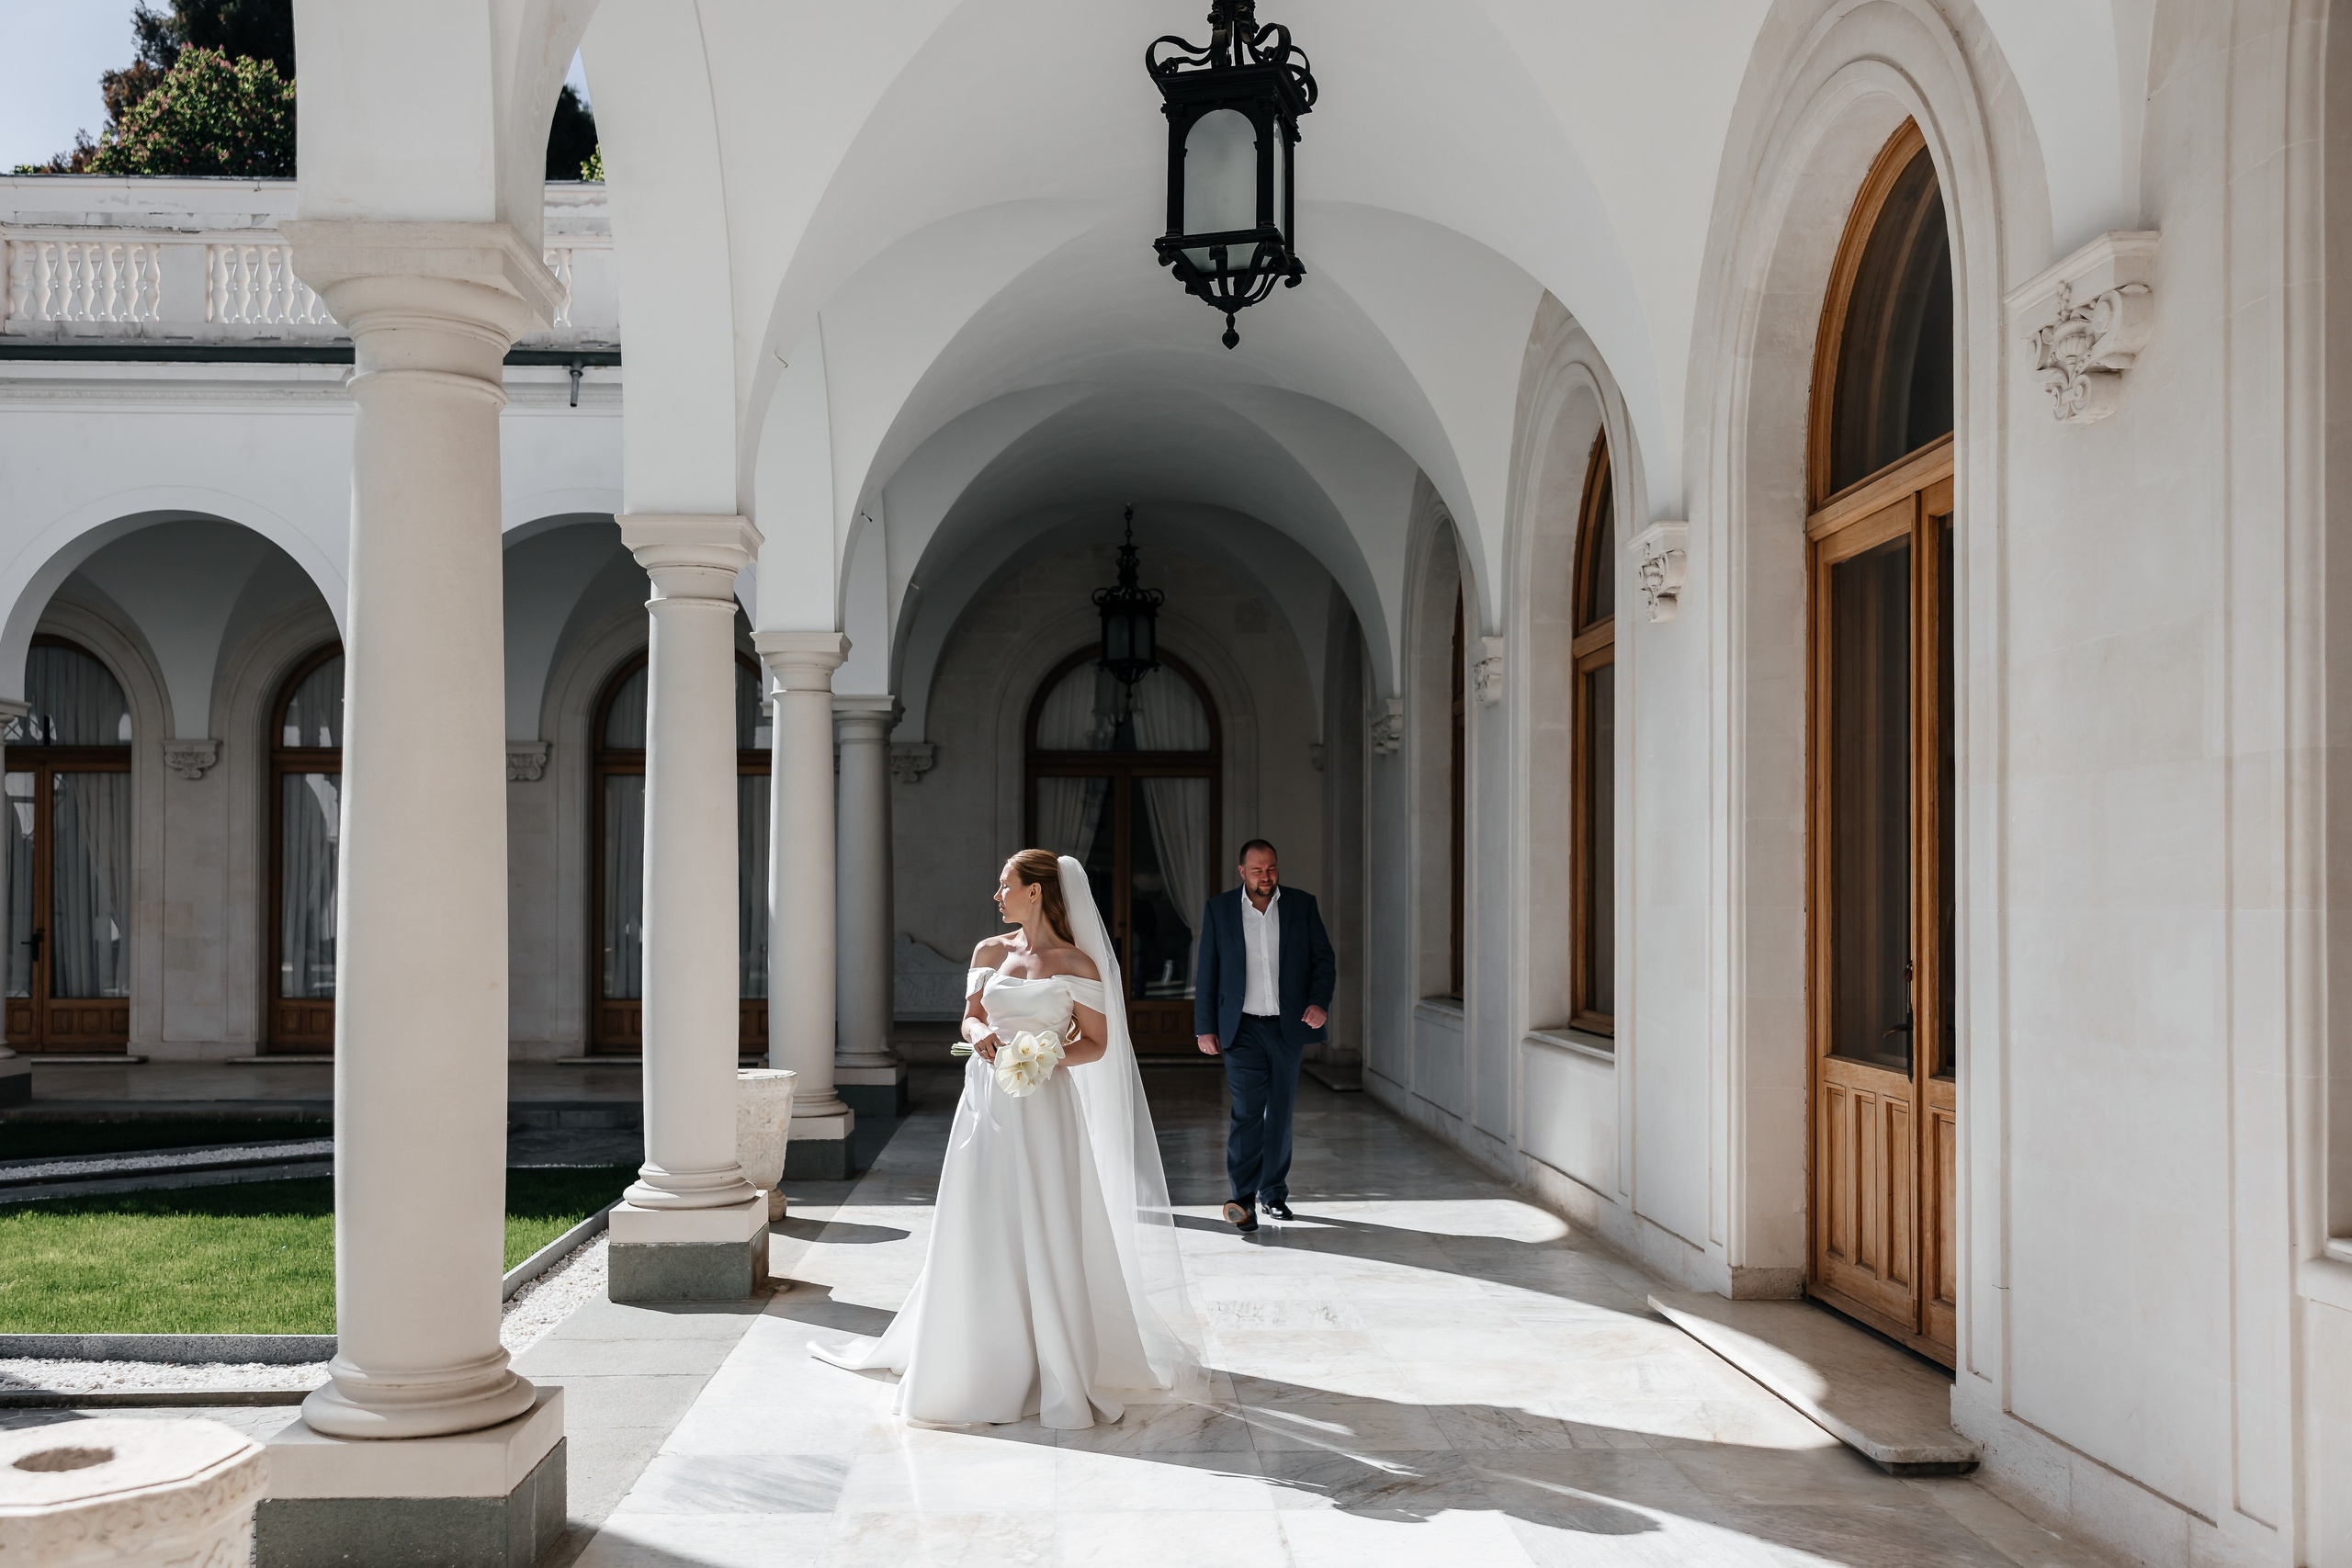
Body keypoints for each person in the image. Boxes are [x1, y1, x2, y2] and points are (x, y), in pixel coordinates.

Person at [808, 850, 1197, 1428]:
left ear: (1035, 892)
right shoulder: (990, 952)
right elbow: (967, 1019)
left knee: (1041, 1219)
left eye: (1006, 885)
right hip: (985, 1104)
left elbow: (1096, 1043)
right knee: (980, 1216)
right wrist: (985, 1031)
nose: (998, 895)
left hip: (1044, 1106)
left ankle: (1051, 1358)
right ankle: (973, 1354)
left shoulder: (1078, 965)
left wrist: (1042, 1055)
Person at [1193, 839, 1336, 1233]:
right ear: (1242, 872)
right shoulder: (1220, 909)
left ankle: (1273, 1192)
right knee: (1247, 1113)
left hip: (1287, 1028)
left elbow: (1323, 959)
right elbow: (1208, 970)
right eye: (1257, 871)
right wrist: (1205, 1026)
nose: (1265, 877)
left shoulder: (1301, 905)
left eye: (1271, 869)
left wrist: (1319, 1002)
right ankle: (1242, 1198)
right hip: (1241, 1029)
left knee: (1280, 1115)